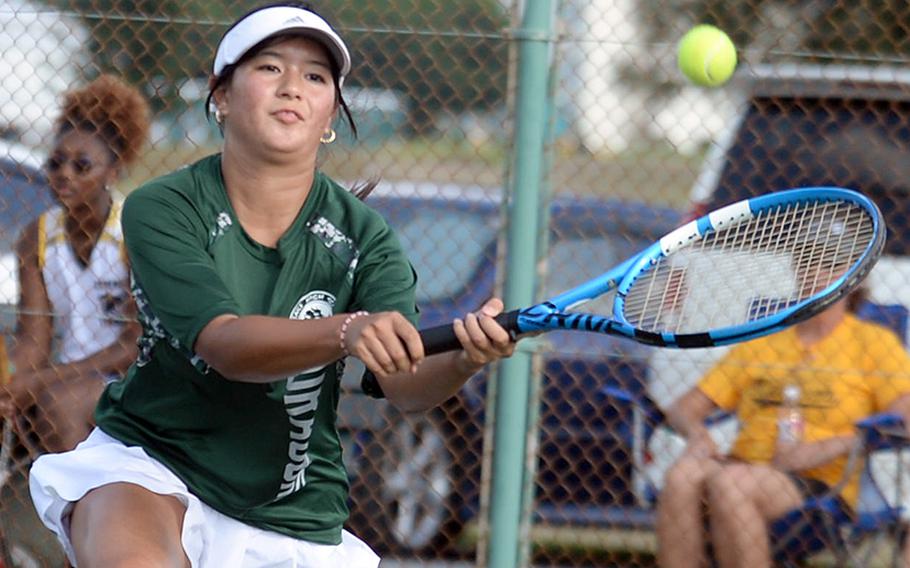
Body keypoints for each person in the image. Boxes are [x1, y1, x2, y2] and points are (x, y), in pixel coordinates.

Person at [28, 4, 515, 567]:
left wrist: (465, 359)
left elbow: (404, 385)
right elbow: (224, 345)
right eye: (268, 68)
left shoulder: (367, 237)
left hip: (293, 513)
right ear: (222, 96)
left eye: (315, 76)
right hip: (153, 466)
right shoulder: (163, 207)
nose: (293, 87)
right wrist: (349, 329)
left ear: (331, 112)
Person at [655, 288, 910, 568]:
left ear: (855, 282)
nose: (816, 276)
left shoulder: (873, 342)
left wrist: (843, 442)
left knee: (732, 484)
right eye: (809, 265)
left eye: (830, 267)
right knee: (682, 476)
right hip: (743, 463)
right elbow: (684, 408)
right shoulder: (764, 340)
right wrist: (697, 434)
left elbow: (902, 417)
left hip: (820, 481)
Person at [4, 74, 147, 454]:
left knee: (60, 404)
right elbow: (35, 337)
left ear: (112, 173)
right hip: (66, 377)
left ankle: (84, 507)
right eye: (55, 163)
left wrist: (40, 380)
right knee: (43, 397)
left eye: (82, 166)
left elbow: (134, 344)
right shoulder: (35, 236)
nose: (64, 174)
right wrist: (12, 377)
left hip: (128, 376)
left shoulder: (133, 230)